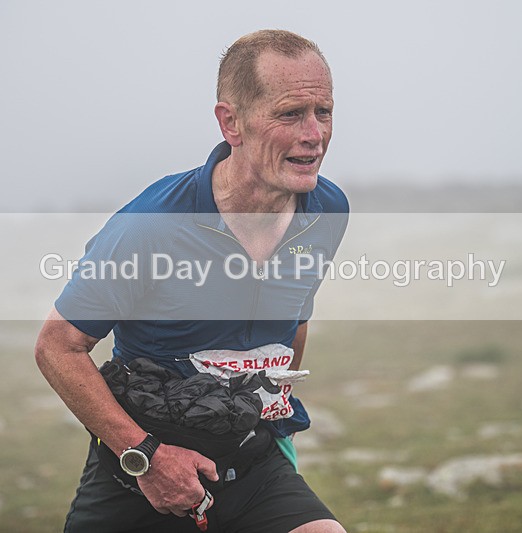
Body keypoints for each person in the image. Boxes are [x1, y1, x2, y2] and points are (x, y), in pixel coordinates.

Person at [35, 29, 348, 533]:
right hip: (143, 471)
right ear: (232, 122)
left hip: (252, 464)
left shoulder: (328, 209)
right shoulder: (153, 224)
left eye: (324, 112)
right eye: (290, 114)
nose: (314, 134)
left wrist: (273, 417)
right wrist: (147, 458)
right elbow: (57, 348)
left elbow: (295, 319)